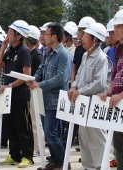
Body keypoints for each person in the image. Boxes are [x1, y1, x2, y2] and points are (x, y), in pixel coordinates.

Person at [28, 23, 72, 170]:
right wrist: (34, 79)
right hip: (44, 99)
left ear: (54, 36)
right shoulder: (48, 51)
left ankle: (64, 162)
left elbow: (61, 78)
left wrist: (40, 84)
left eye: (46, 34)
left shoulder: (64, 55)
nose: (43, 36)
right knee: (54, 133)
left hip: (55, 100)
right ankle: (56, 161)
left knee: (50, 133)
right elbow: (41, 69)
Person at [68, 22, 111, 169]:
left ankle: (100, 166)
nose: (82, 38)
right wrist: (73, 87)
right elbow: (79, 75)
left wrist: (79, 91)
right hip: (83, 103)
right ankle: (88, 166)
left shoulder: (102, 58)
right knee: (84, 137)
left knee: (97, 138)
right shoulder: (85, 55)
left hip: (96, 104)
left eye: (86, 35)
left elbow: (99, 83)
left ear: (95, 39)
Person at [0, 20, 34, 168]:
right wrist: (3, 46)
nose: (7, 35)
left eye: (10, 32)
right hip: (8, 95)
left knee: (23, 127)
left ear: (19, 36)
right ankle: (14, 154)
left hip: (20, 95)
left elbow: (27, 75)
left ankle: (27, 156)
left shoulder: (24, 52)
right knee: (10, 126)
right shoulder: (9, 50)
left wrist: (10, 85)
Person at [98, 9, 123, 168]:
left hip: (120, 101)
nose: (116, 31)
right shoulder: (119, 49)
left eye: (120, 27)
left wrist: (121, 95)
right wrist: (109, 90)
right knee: (119, 146)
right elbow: (115, 75)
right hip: (118, 108)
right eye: (116, 27)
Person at [23, 25, 44, 157]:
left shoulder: (37, 56)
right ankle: (34, 145)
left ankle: (38, 147)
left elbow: (37, 76)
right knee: (31, 120)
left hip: (35, 91)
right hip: (28, 90)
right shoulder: (31, 54)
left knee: (36, 121)